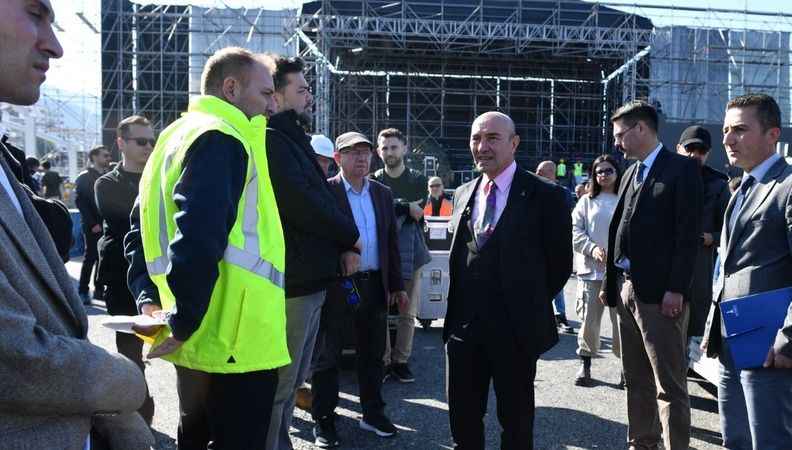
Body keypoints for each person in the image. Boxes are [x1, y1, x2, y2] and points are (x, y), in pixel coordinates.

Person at [0, 1, 154, 448]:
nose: (56, 45)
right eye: (34, 13)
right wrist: (124, 382)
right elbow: (16, 359)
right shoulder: (99, 181)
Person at [126, 47, 286, 450]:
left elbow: (140, 229)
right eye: (266, 94)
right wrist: (184, 319)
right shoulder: (222, 137)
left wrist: (148, 296)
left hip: (202, 337)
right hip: (233, 339)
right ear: (231, 88)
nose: (273, 104)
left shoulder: (173, 137)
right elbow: (198, 237)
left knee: (195, 439)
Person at [445, 112, 572, 449]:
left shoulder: (546, 195)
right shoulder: (462, 193)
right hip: (464, 330)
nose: (481, 146)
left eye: (492, 138)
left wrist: (523, 301)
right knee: (463, 420)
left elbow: (560, 264)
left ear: (514, 143)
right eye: (476, 138)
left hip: (515, 333)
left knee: (515, 424)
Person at [264, 55, 361, 450]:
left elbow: (319, 197)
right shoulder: (274, 140)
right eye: (301, 90)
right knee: (281, 383)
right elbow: (305, 202)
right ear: (277, 94)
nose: (309, 97)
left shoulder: (291, 138)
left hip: (311, 280)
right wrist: (350, 237)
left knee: (292, 381)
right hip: (295, 282)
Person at [600, 101, 702, 450]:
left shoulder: (681, 170)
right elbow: (619, 231)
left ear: (640, 128)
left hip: (661, 296)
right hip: (628, 289)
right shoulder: (631, 172)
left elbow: (687, 236)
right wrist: (609, 285)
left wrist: (676, 289)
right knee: (636, 379)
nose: (617, 143)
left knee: (669, 384)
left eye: (620, 135)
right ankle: (642, 442)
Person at [701, 93, 792, 449]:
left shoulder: (786, 187)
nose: (727, 139)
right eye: (725, 130)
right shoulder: (740, 189)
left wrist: (788, 337)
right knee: (735, 440)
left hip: (770, 347)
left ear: (773, 134)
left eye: (739, 129)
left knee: (769, 443)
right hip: (730, 340)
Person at [312, 131, 408, 447]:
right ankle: (324, 419)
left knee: (372, 352)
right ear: (338, 158)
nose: (362, 158)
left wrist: (396, 285)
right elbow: (315, 240)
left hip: (374, 286)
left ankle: (372, 413)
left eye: (366, 152)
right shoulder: (326, 192)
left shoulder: (381, 193)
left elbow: (391, 243)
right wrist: (341, 251)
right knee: (330, 353)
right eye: (353, 152)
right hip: (344, 287)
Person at [95, 115, 156, 425]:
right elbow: (127, 225)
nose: (148, 146)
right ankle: (139, 421)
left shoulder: (160, 176)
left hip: (158, 278)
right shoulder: (106, 183)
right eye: (141, 141)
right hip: (121, 279)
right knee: (131, 357)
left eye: (151, 141)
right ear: (121, 143)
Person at [373, 127, 431, 383]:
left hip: (412, 250)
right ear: (378, 151)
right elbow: (379, 210)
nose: (389, 152)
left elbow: (417, 211)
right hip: (381, 251)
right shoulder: (374, 178)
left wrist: (397, 206)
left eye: (394, 147)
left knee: (407, 310)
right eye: (384, 148)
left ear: (404, 148)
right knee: (381, 309)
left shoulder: (418, 179)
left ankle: (401, 361)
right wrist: (404, 206)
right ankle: (384, 361)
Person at [571, 155, 623, 387]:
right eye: (599, 171)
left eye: (608, 170)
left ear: (617, 172)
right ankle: (585, 363)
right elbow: (575, 231)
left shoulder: (625, 198)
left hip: (621, 272)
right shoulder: (586, 201)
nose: (603, 175)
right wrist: (592, 249)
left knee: (622, 323)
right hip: (592, 271)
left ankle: (626, 368)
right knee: (589, 322)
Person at [675, 125, 729, 340]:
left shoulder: (718, 184)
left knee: (696, 317)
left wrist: (711, 238)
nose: (695, 155)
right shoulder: (662, 177)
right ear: (678, 148)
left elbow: (728, 228)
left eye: (701, 151)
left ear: (708, 154)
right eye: (690, 148)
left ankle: (688, 363)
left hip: (699, 262)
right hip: (666, 259)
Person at [537, 160, 576, 334]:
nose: (536, 174)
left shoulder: (563, 193)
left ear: (551, 173)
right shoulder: (533, 190)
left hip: (555, 245)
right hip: (536, 244)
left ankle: (560, 316)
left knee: (556, 281)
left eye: (540, 171)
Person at [74, 145, 111, 305]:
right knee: (90, 257)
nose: (108, 158)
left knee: (102, 258)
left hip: (106, 224)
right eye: (105, 155)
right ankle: (82, 291)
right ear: (94, 157)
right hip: (93, 225)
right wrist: (93, 223)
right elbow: (80, 202)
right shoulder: (84, 177)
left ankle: (99, 290)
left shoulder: (108, 175)